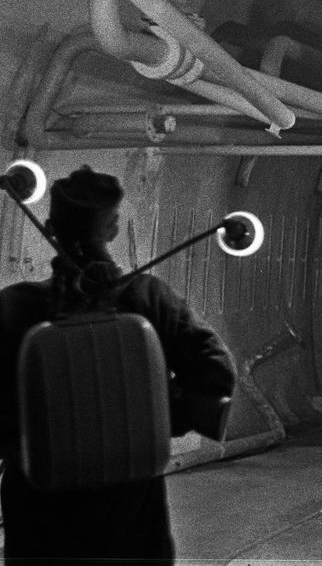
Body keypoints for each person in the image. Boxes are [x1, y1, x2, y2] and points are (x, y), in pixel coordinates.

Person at [0, 166, 236, 563]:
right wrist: (154, 416)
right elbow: (215, 373)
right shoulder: (148, 298)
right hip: (130, 510)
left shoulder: (14, 306)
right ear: (111, 229)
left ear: (49, 228)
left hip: (39, 513)